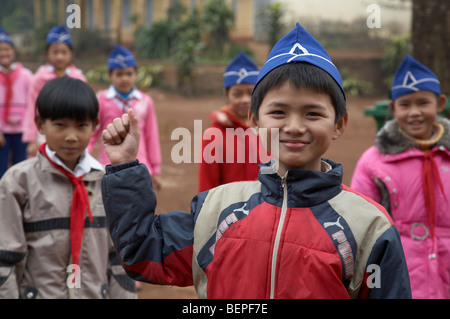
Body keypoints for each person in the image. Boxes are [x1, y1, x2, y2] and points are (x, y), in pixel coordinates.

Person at [100, 23, 411, 298]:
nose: (294, 126)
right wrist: (125, 166)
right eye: (278, 112)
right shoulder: (216, 212)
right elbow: (143, 251)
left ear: (339, 124)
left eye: (312, 113)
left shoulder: (369, 228)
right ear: (255, 120)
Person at [0, 77, 136, 299]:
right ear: (40, 124)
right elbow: (5, 258)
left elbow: (120, 258)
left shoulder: (107, 182)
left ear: (94, 126)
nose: (71, 137)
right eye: (60, 125)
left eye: (81, 125)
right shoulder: (18, 182)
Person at [351, 54, 449, 299]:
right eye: (405, 105)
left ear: (440, 103)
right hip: (399, 273)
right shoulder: (373, 161)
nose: (414, 112)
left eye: (423, 103)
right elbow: (361, 226)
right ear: (393, 108)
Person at [88, 45, 162, 190]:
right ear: (110, 75)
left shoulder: (145, 101)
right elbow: (91, 133)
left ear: (136, 74)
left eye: (129, 73)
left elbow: (151, 136)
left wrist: (155, 169)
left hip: (140, 165)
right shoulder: (101, 100)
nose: (125, 78)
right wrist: (83, 158)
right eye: (119, 74)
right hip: (107, 165)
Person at [198, 52, 262, 192]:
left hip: (264, 209)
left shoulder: (268, 129)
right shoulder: (214, 135)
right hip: (229, 210)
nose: (245, 99)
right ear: (226, 94)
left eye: (250, 93)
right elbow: (207, 184)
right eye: (237, 94)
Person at [22, 25, 86, 158]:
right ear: (47, 54)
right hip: (45, 131)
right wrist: (31, 139)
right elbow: (32, 107)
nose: (60, 56)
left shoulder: (78, 78)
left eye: (64, 52)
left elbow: (85, 108)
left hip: (71, 130)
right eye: (55, 52)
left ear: (71, 54)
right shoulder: (39, 78)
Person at [0, 28, 33, 178]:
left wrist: (29, 132)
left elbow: (32, 103)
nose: (3, 53)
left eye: (7, 49)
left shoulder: (26, 75)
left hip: (22, 132)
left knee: (21, 168)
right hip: (2, 133)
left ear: (13, 51)